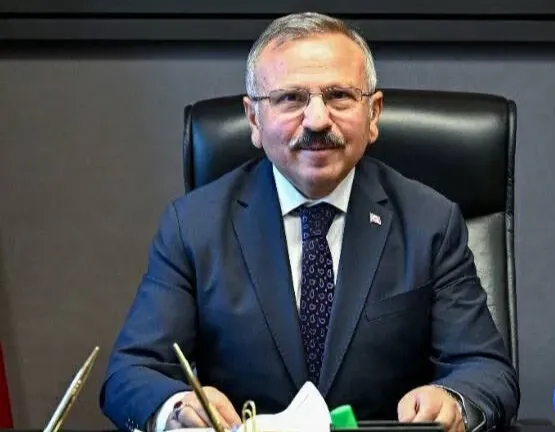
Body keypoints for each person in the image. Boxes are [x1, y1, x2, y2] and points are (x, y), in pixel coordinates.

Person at [100, 12, 519, 432]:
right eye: (291, 98)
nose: (317, 120)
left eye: (339, 95)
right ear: (254, 120)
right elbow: (131, 372)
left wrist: (453, 400)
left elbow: (485, 369)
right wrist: (176, 407)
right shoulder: (193, 226)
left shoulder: (430, 222)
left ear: (373, 114)